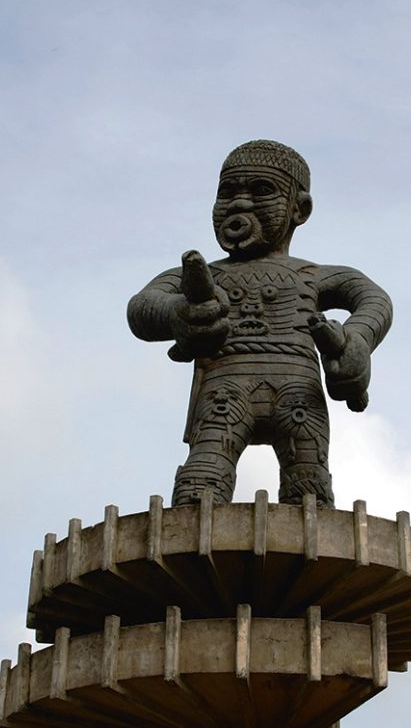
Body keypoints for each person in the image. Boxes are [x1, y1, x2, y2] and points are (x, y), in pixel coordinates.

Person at [127, 139, 392, 507]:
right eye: (228, 192)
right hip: (224, 392)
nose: (239, 203)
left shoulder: (312, 275)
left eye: (261, 191)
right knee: (203, 478)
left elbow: (372, 298)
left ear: (299, 209)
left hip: (299, 393)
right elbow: (141, 307)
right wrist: (177, 313)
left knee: (308, 483)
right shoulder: (208, 276)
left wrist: (356, 339)